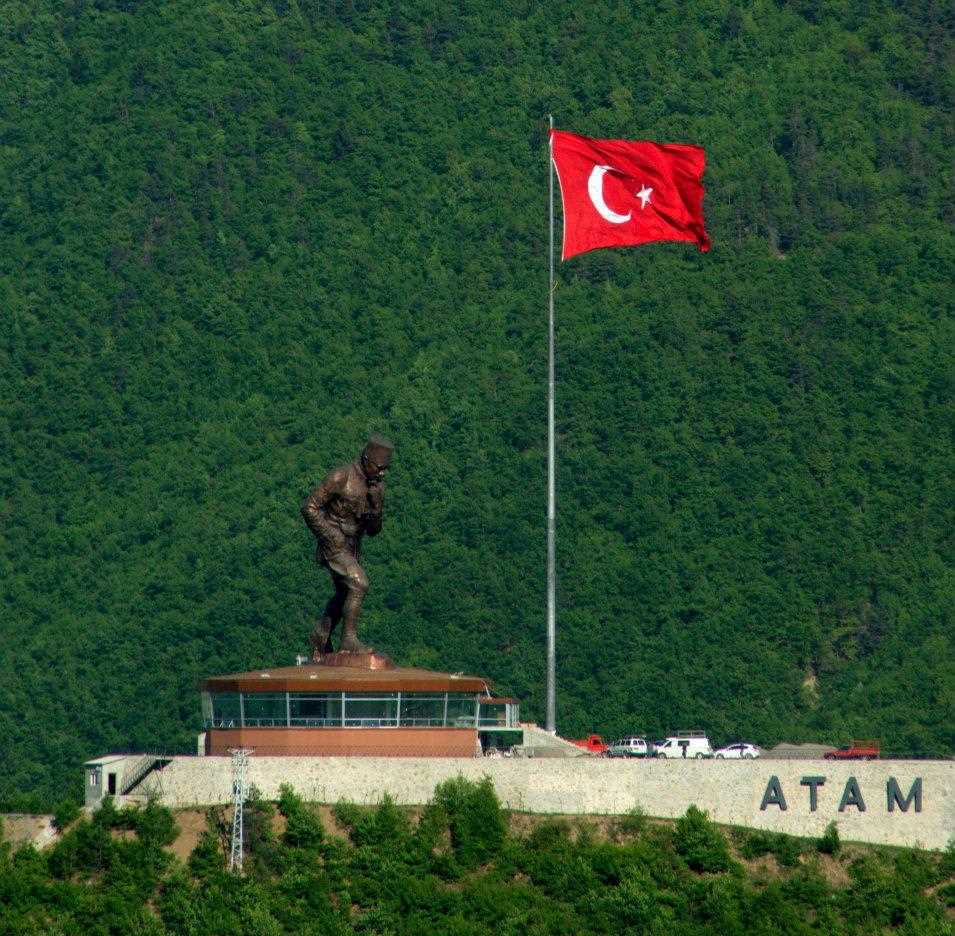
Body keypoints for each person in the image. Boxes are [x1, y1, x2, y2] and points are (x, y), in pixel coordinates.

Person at [301, 435, 394, 656]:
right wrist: (329, 535)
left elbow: (373, 531)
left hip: (353, 546)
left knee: (344, 593)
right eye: (379, 468)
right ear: (366, 459)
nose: (382, 473)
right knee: (359, 584)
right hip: (333, 543)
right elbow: (309, 507)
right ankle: (348, 640)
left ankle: (320, 635)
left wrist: (376, 507)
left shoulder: (376, 488)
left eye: (386, 469)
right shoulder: (341, 477)